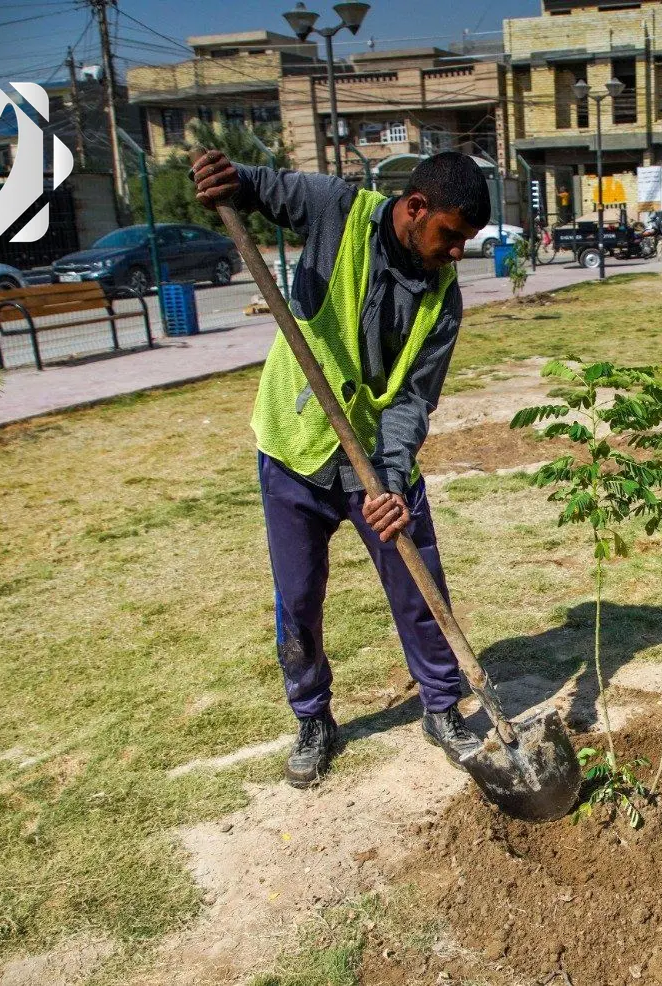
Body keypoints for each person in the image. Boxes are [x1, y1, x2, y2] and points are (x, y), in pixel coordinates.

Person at [191, 149, 491, 789]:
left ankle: (441, 707)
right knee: (297, 595)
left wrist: (388, 479)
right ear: (416, 209)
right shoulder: (336, 210)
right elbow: (261, 188)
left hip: (377, 454)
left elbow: (415, 396)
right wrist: (230, 177)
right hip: (296, 443)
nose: (458, 252)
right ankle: (313, 717)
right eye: (452, 236)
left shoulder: (445, 298)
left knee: (419, 583)